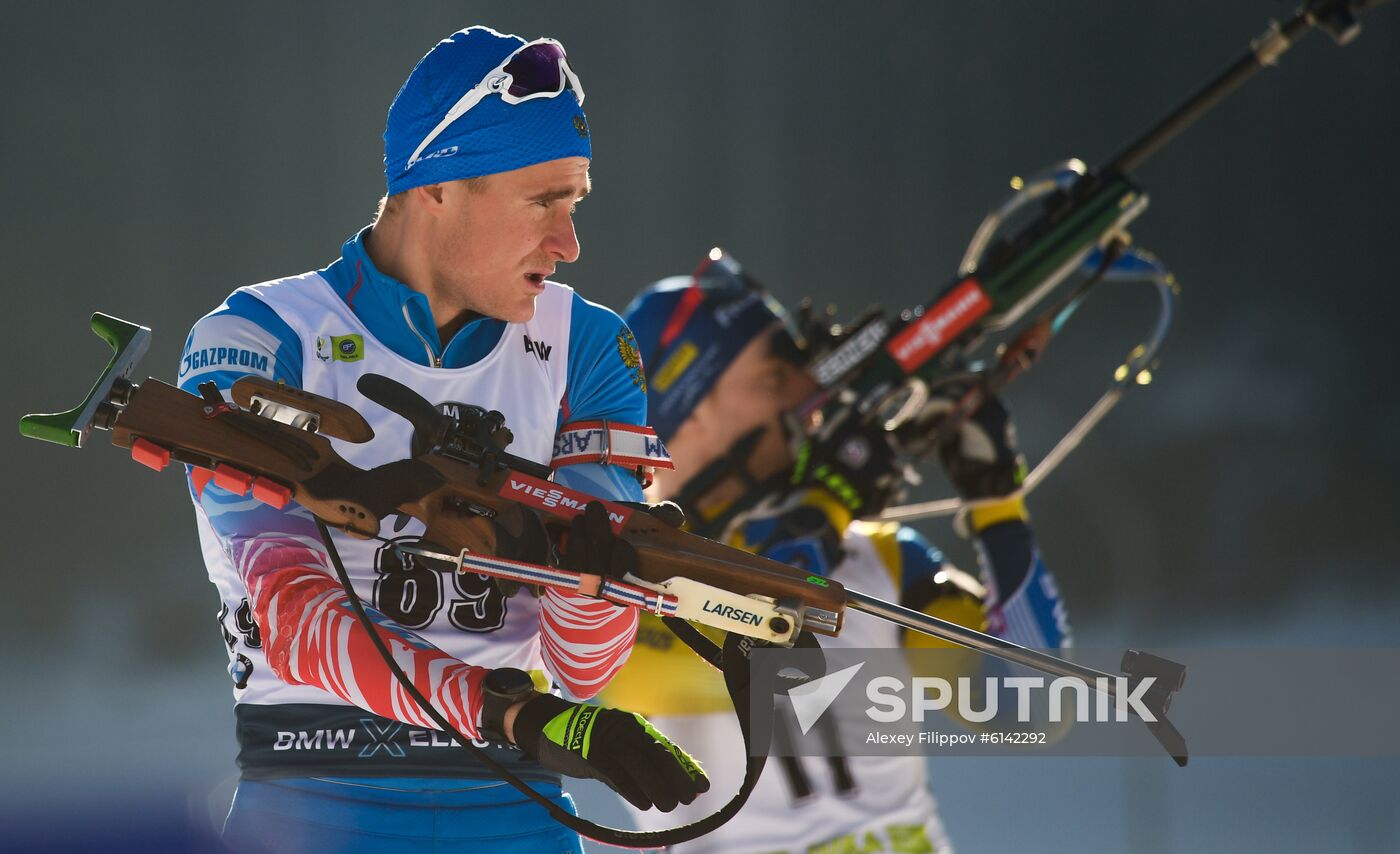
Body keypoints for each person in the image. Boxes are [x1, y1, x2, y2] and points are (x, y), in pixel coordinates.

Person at [177, 26, 705, 853]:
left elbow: (585, 668)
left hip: (519, 809)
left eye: (577, 203)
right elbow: (295, 620)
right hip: (316, 799)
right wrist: (518, 714)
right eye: (543, 203)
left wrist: (586, 582)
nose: (569, 244)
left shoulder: (591, 345)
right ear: (438, 187)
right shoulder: (260, 334)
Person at [596, 251, 1071, 853]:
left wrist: (996, 504)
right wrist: (827, 502)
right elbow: (756, 650)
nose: (810, 398)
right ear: (688, 415)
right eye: (775, 379)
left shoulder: (880, 558)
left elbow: (1029, 710)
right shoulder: (615, 582)